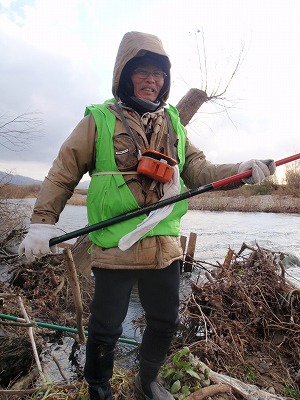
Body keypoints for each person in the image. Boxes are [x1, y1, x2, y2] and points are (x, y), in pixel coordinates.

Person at [18, 31, 276, 400]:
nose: (153, 80)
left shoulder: (173, 122)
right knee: (105, 328)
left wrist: (243, 170)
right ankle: (99, 389)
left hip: (163, 246)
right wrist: (42, 223)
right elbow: (63, 172)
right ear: (125, 73)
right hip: (114, 246)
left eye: (159, 74)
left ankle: (147, 380)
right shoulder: (99, 119)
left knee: (164, 320)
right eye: (143, 71)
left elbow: (199, 170)